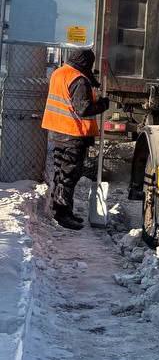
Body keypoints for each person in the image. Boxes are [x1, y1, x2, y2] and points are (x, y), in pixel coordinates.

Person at [41, 49, 109, 229]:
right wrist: (102, 105)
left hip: (58, 132)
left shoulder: (60, 72)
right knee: (69, 175)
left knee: (60, 173)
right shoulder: (79, 80)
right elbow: (83, 109)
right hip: (73, 134)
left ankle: (61, 209)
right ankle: (63, 215)